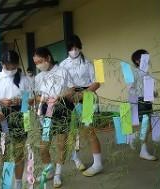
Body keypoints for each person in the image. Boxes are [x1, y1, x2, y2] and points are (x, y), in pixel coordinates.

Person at [59, 35, 103, 177]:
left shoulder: (89, 63)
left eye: (76, 47)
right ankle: (76, 158)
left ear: (80, 47)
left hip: (87, 97)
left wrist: (83, 94)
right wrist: (69, 96)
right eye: (71, 48)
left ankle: (97, 163)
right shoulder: (62, 65)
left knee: (88, 130)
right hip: (70, 99)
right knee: (73, 131)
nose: (74, 50)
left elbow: (98, 82)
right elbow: (61, 85)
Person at [31, 47, 75, 188]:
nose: (38, 65)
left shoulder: (62, 71)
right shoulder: (38, 77)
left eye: (40, 61)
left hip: (62, 109)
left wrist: (59, 97)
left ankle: (58, 174)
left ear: (48, 58)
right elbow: (35, 95)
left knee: (61, 144)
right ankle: (48, 170)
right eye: (36, 63)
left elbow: (71, 89)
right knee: (44, 146)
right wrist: (42, 99)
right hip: (46, 113)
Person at [0, 50, 30, 189]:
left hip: (19, 117)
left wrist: (20, 101)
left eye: (13, 68)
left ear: (17, 65)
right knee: (4, 152)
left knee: (18, 152)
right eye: (7, 68)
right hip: (1, 117)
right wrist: (0, 101)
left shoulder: (24, 79)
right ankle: (6, 184)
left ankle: (18, 184)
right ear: (1, 64)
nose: (10, 71)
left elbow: (29, 102)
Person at [127, 49, 157, 161]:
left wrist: (153, 93)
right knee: (147, 125)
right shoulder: (133, 73)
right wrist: (135, 104)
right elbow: (130, 90)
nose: (147, 61)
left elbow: (150, 89)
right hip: (139, 101)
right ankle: (143, 151)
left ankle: (134, 136)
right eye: (145, 59)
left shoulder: (147, 73)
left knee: (149, 126)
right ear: (137, 61)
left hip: (147, 101)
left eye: (147, 58)